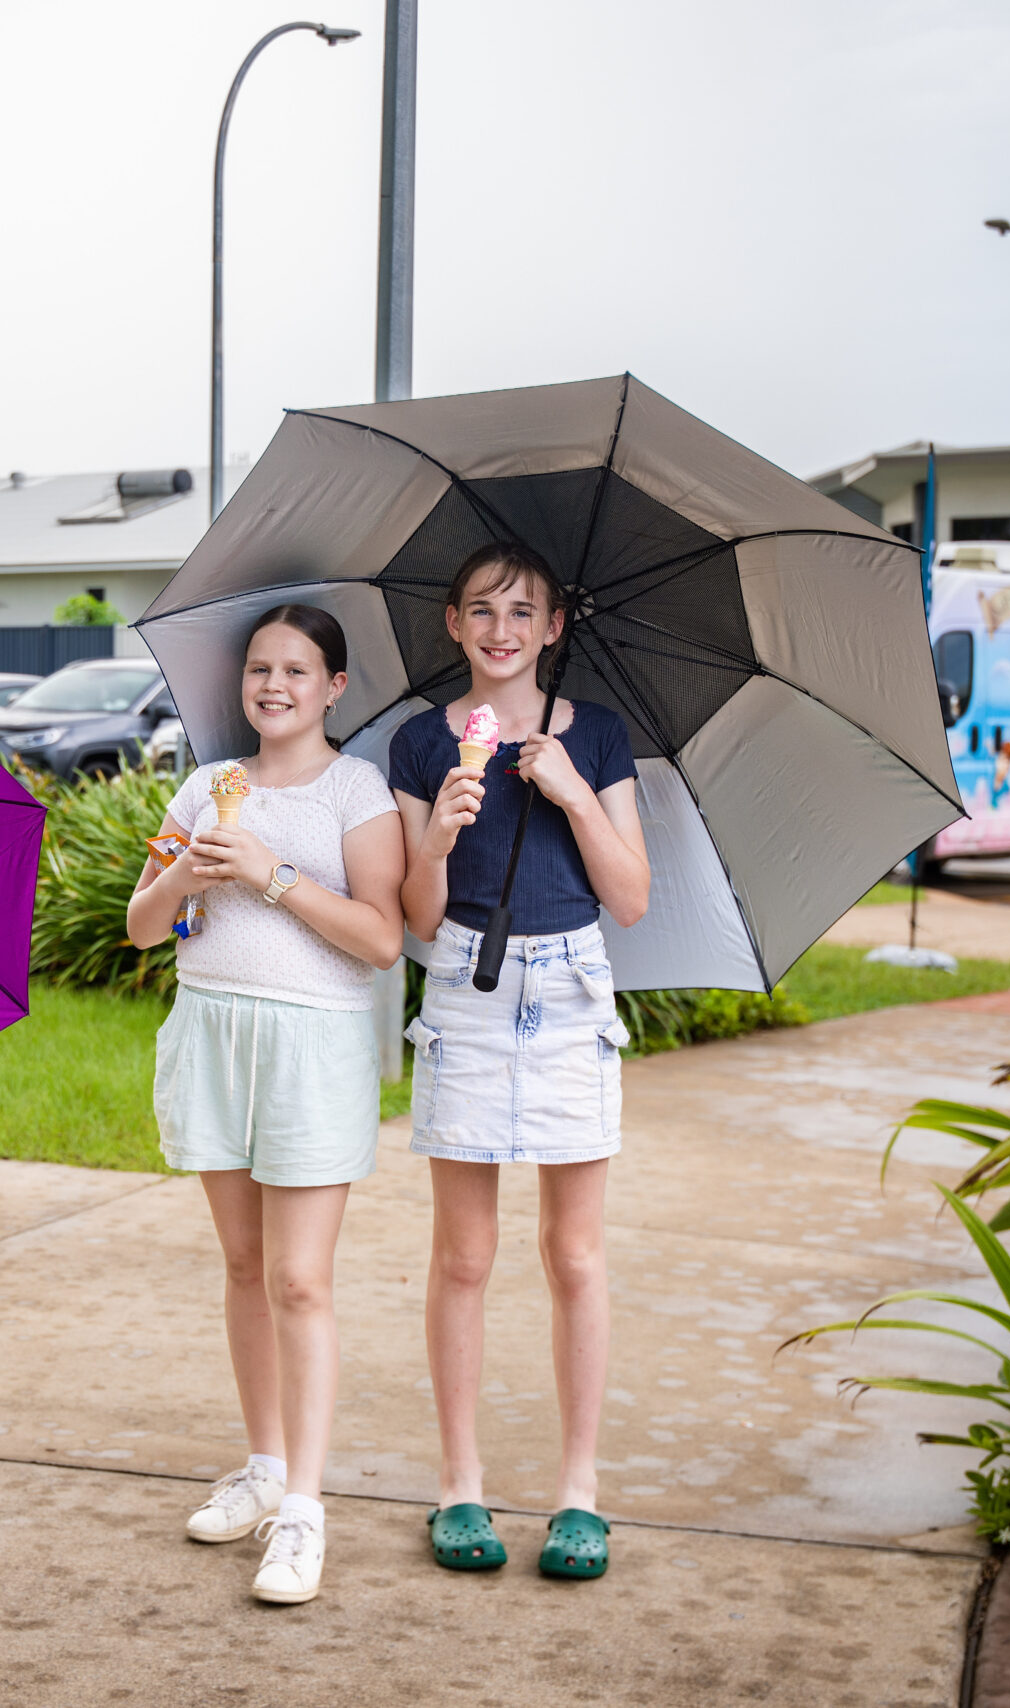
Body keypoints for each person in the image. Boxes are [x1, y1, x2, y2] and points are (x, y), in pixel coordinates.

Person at [125, 604, 405, 1606]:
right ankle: (264, 1467)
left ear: (334, 686)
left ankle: (304, 1512)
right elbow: (141, 925)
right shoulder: (206, 786)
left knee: (299, 1279)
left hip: (310, 1046)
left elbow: (381, 939)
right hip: (212, 1031)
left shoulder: (355, 790)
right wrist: (187, 869)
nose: (273, 685)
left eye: (295, 670)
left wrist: (270, 874)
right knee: (243, 1266)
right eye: (259, 669)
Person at [388, 541, 650, 1582]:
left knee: (574, 1255)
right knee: (463, 1255)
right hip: (466, 983)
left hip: (573, 985)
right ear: (453, 624)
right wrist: (440, 836)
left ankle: (579, 1493)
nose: (502, 628)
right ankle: (460, 1485)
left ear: (553, 628)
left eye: (523, 610)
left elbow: (630, 898)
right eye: (483, 609)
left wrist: (574, 792)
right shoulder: (421, 743)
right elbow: (416, 919)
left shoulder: (601, 735)